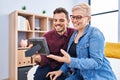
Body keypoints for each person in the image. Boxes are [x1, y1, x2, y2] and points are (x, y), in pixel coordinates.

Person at [46, 3, 117, 80]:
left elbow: (96, 62)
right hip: (80, 74)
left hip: (97, 76)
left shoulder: (95, 33)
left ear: (88, 19)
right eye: (73, 17)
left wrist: (71, 61)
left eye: (78, 17)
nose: (74, 20)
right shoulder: (74, 34)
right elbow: (69, 58)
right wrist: (60, 71)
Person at [28, 7, 75, 80]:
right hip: (49, 64)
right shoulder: (46, 36)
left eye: (61, 20)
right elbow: (44, 57)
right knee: (37, 78)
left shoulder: (74, 33)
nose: (57, 23)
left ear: (68, 21)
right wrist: (38, 58)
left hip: (65, 65)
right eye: (55, 20)